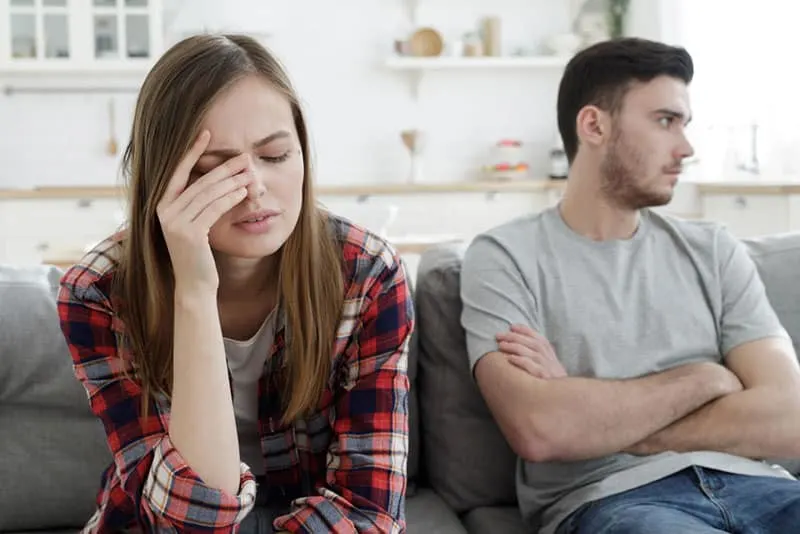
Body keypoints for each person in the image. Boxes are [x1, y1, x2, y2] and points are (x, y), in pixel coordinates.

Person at [56, 33, 413, 534]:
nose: (255, 189)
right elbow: (181, 521)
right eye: (214, 169)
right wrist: (195, 294)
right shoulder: (96, 292)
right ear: (164, 180)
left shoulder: (368, 272)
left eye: (276, 156)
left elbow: (369, 509)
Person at [460, 37, 800, 534]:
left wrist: (593, 415)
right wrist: (706, 378)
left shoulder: (714, 250)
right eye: (666, 121)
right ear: (594, 125)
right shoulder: (504, 257)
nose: (686, 148)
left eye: (684, 124)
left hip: (762, 486)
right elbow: (541, 430)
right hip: (617, 502)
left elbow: (790, 417)